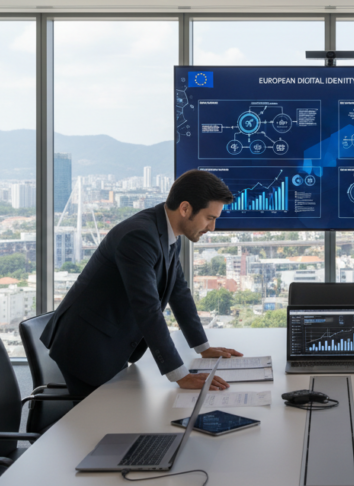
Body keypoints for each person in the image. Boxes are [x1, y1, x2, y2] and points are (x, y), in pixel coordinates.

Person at [41, 169, 243, 397]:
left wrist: (203, 348)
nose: (212, 228)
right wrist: (181, 376)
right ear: (185, 209)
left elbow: (179, 292)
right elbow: (147, 308)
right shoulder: (139, 236)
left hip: (110, 342)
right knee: (102, 426)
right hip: (87, 347)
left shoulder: (167, 233)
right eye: (210, 218)